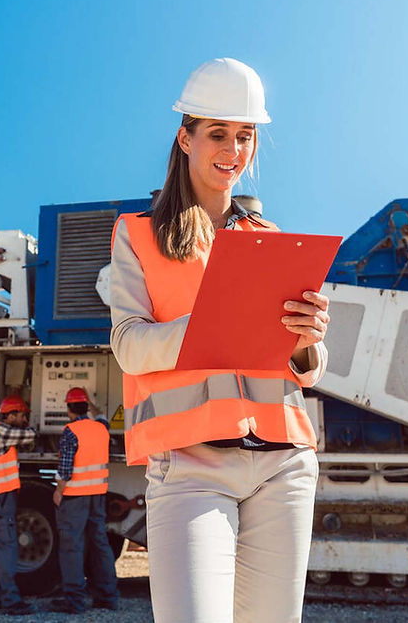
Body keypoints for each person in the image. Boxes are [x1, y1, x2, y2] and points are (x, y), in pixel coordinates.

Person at [109, 57, 330, 623]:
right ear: (185, 137)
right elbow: (130, 345)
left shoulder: (270, 237)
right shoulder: (137, 234)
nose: (234, 150)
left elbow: (304, 369)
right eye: (218, 134)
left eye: (245, 135)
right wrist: (208, 326)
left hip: (282, 466)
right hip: (189, 466)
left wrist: (309, 341)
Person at [49, 387, 120, 614]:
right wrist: (91, 402)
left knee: (72, 547)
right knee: (100, 545)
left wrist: (58, 491)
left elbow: (65, 468)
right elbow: (100, 415)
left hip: (75, 497)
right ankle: (108, 596)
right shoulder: (101, 428)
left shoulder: (70, 431)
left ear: (69, 409)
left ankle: (75, 601)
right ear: (86, 407)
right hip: (97, 495)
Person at [0, 394, 38, 616]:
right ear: (11, 415)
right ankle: (11, 600)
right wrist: (31, 427)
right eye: (22, 415)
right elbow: (30, 436)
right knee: (7, 548)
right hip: (2, 497)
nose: (24, 418)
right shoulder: (1, 430)